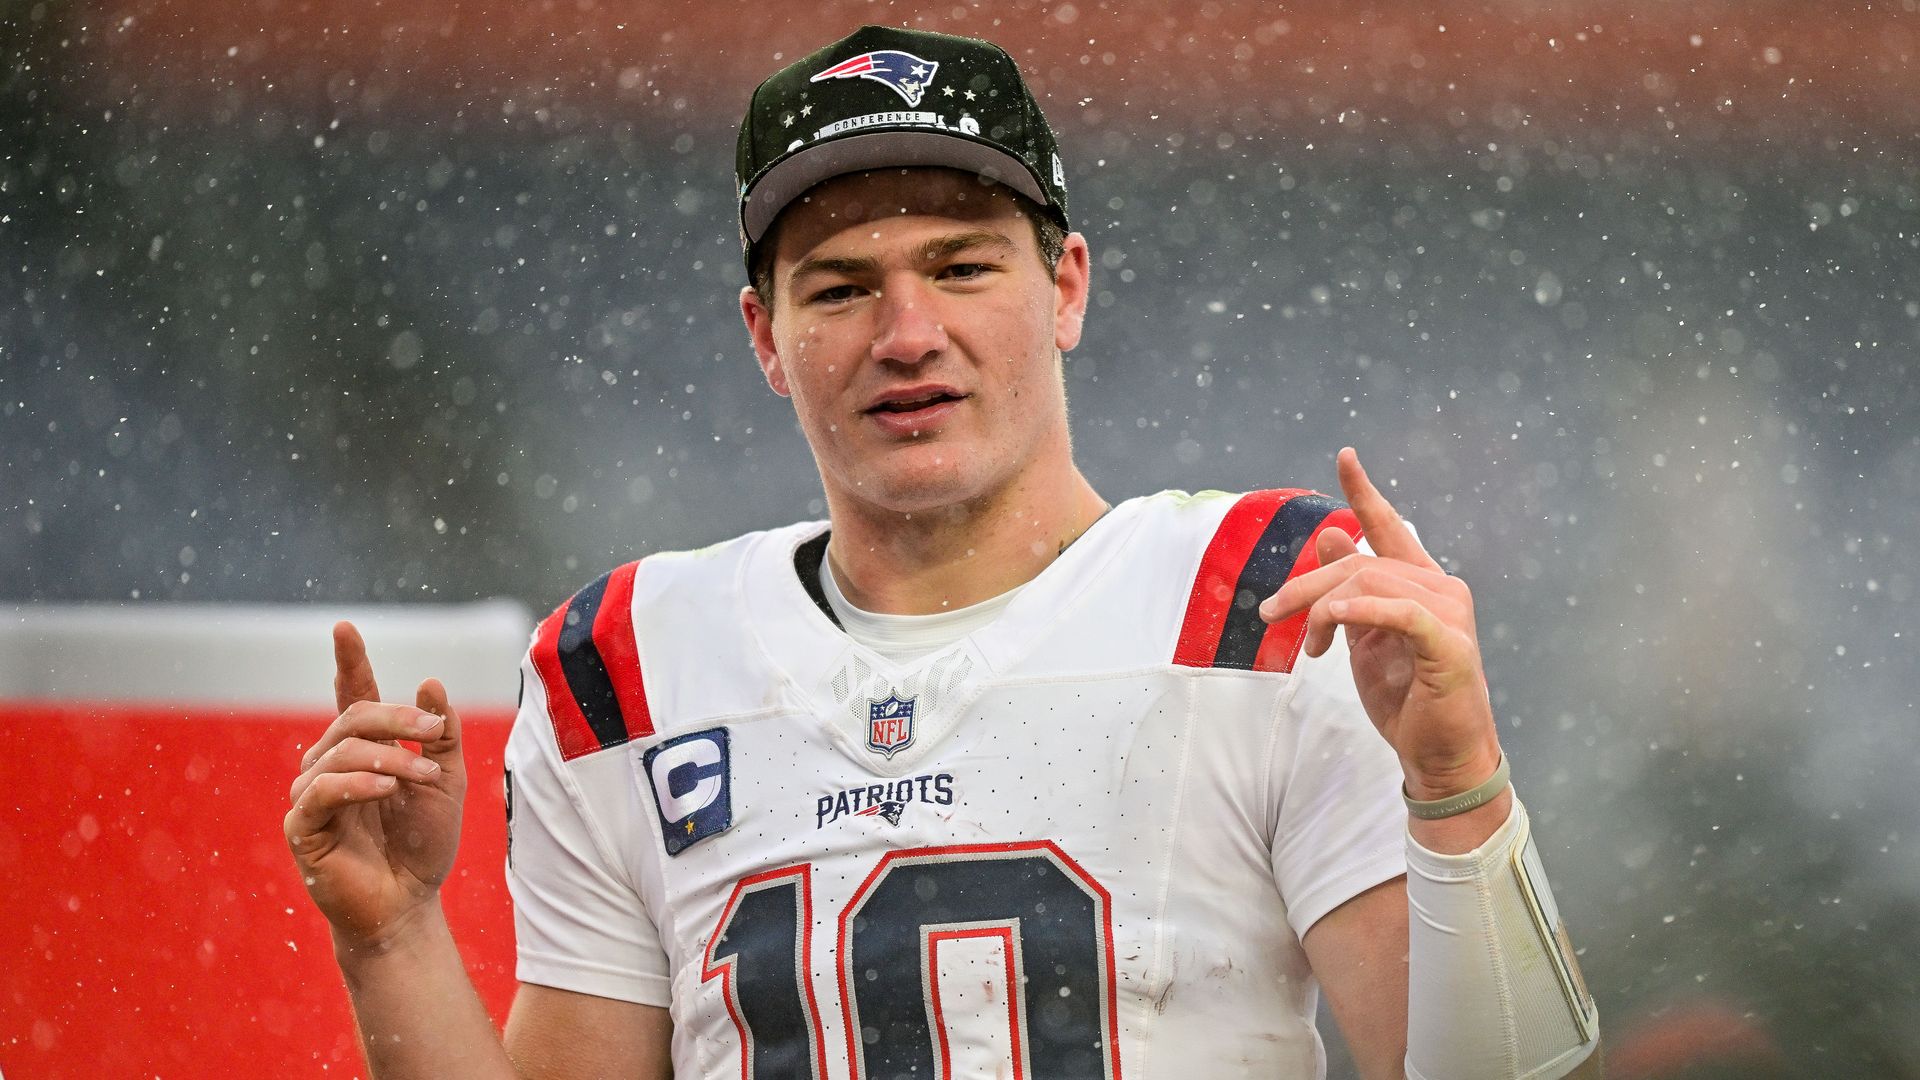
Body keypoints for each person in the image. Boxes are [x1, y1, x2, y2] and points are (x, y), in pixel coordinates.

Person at [286, 24, 1600, 1080]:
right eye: (842, 286)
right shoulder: (624, 665)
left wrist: (1455, 782)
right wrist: (394, 938)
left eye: (962, 267)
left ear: (1066, 285)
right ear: (762, 334)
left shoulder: (1264, 597)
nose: (906, 331)